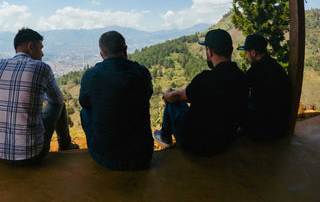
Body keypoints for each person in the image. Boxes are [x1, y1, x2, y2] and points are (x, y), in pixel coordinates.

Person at [153, 29, 248, 156]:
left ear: (209, 51)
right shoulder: (242, 78)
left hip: (194, 145)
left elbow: (175, 97)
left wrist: (166, 95)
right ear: (230, 49)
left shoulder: (204, 79)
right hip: (225, 142)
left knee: (173, 102)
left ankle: (165, 137)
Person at [0, 28, 79, 164]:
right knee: (59, 104)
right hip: (33, 154)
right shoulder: (42, 67)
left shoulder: (1, 65)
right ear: (30, 47)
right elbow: (58, 99)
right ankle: (65, 145)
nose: (42, 54)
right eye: (40, 48)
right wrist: (40, 94)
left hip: (1, 155)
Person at [79, 31, 153, 170]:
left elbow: (85, 103)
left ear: (101, 55)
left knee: (85, 111)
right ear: (125, 49)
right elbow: (147, 95)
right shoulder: (142, 72)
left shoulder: (91, 75)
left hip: (104, 157)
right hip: (142, 155)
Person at [237, 34, 291, 140]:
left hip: (263, 131)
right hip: (281, 128)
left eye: (246, 53)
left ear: (253, 52)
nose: (247, 57)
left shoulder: (255, 69)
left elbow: (239, 90)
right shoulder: (277, 67)